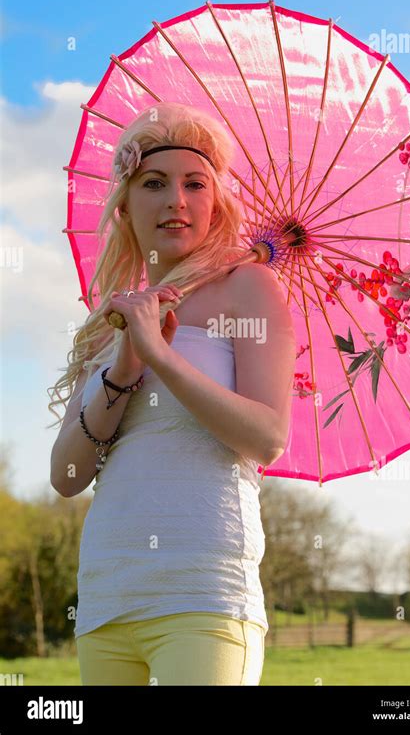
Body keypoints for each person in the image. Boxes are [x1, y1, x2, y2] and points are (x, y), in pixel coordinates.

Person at [48, 102, 296, 685]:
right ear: (126, 206)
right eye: (153, 184)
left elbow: (267, 437)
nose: (175, 201)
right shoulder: (108, 322)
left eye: (194, 184)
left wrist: (163, 356)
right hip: (108, 593)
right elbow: (66, 476)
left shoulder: (249, 288)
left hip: (203, 588)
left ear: (216, 203)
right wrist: (125, 366)